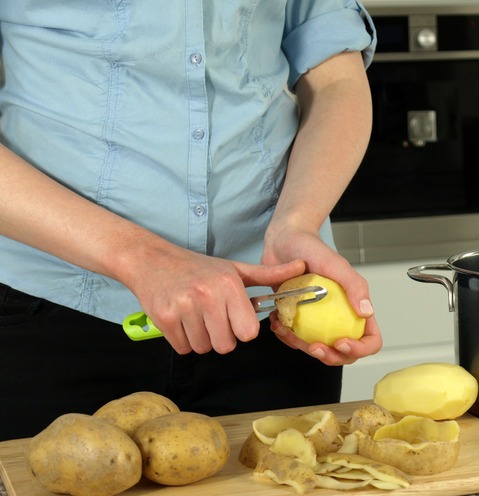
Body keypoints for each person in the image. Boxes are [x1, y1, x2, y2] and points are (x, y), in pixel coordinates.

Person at [0, 1, 382, 441]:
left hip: (267, 312)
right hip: (51, 312)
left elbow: (335, 76)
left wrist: (298, 222)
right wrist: (140, 257)